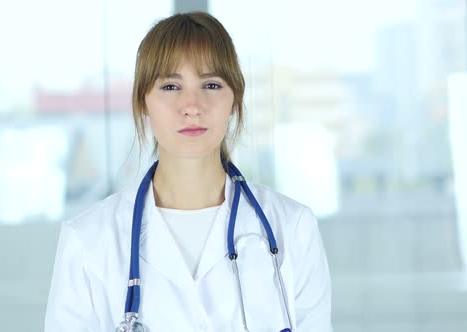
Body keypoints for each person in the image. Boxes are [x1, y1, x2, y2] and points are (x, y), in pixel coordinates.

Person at [45, 11, 332, 332]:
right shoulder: (88, 240)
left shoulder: (292, 229)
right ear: (143, 102)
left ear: (235, 99)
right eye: (170, 86)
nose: (192, 105)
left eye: (211, 84)